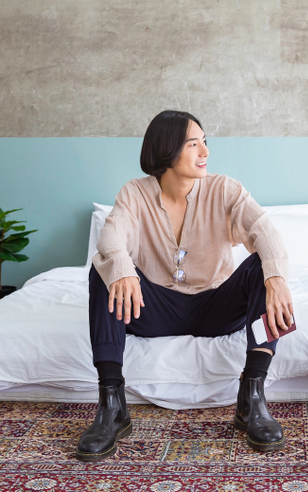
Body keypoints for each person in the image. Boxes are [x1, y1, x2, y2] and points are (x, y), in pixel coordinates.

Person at [76, 110, 295, 462]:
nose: (204, 151)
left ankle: (252, 397)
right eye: (193, 143)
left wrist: (276, 278)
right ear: (166, 149)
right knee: (105, 268)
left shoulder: (224, 190)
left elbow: (265, 232)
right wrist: (122, 268)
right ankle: (112, 405)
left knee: (261, 266)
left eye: (205, 142)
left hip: (216, 308)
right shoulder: (134, 193)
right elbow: (111, 236)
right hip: (154, 309)